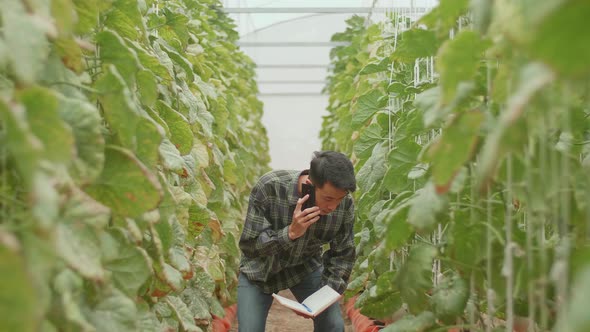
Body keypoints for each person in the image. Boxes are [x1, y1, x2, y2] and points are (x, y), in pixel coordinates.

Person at [237, 151, 357, 332]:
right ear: (309, 185)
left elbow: (343, 255)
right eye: (328, 198)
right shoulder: (270, 187)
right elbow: (250, 246)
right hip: (260, 269)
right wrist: (290, 233)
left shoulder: (344, 205)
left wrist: (322, 300)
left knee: (333, 325)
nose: (333, 207)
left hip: (304, 267)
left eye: (339, 199)